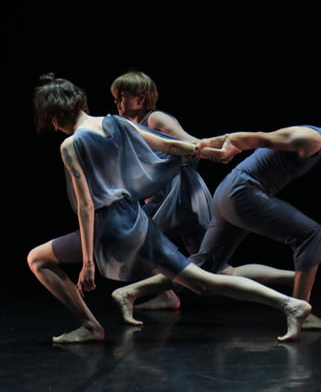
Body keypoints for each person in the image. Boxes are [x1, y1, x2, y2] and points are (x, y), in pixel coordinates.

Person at [27, 72, 311, 344]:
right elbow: (171, 146)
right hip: (137, 222)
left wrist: (89, 263)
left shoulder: (72, 144)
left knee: (37, 259)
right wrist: (213, 153)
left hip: (109, 227)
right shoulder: (116, 123)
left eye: (52, 121)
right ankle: (290, 304)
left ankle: (90, 326)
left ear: (57, 115)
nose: (54, 127)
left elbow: (86, 205)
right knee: (201, 281)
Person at [112, 124, 321, 330]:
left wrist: (215, 143)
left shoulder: (319, 148)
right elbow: (255, 137)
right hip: (242, 191)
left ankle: (130, 292)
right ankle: (302, 313)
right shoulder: (312, 139)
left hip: (232, 192)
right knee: (312, 234)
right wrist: (214, 145)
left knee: (204, 270)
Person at [110, 69, 296, 310]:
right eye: (115, 98)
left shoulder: (155, 119)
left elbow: (189, 141)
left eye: (121, 97)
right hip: (177, 200)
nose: (117, 103)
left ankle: (166, 295)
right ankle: (297, 277)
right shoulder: (131, 126)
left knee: (130, 236)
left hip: (179, 199)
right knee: (221, 270)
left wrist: (215, 153)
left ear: (141, 99)